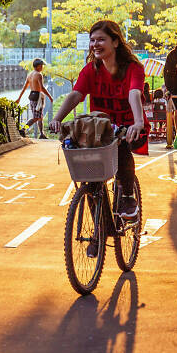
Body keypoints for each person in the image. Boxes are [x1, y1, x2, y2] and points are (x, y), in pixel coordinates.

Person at [49, 20, 149, 220]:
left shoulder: (132, 68)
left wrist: (137, 122)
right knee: (90, 176)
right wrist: (57, 118)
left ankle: (128, 197)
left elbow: (134, 94)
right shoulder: (90, 70)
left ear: (115, 42)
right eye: (92, 40)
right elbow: (76, 95)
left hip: (130, 126)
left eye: (101, 39)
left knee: (122, 146)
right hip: (100, 129)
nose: (95, 44)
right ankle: (99, 229)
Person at [16, 58, 53, 139]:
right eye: (42, 66)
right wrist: (50, 96)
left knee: (39, 116)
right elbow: (42, 88)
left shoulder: (30, 74)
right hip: (37, 97)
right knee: (36, 117)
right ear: (39, 66)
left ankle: (42, 134)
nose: (42, 67)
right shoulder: (39, 75)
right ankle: (23, 129)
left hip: (32, 96)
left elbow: (24, 88)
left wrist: (19, 98)